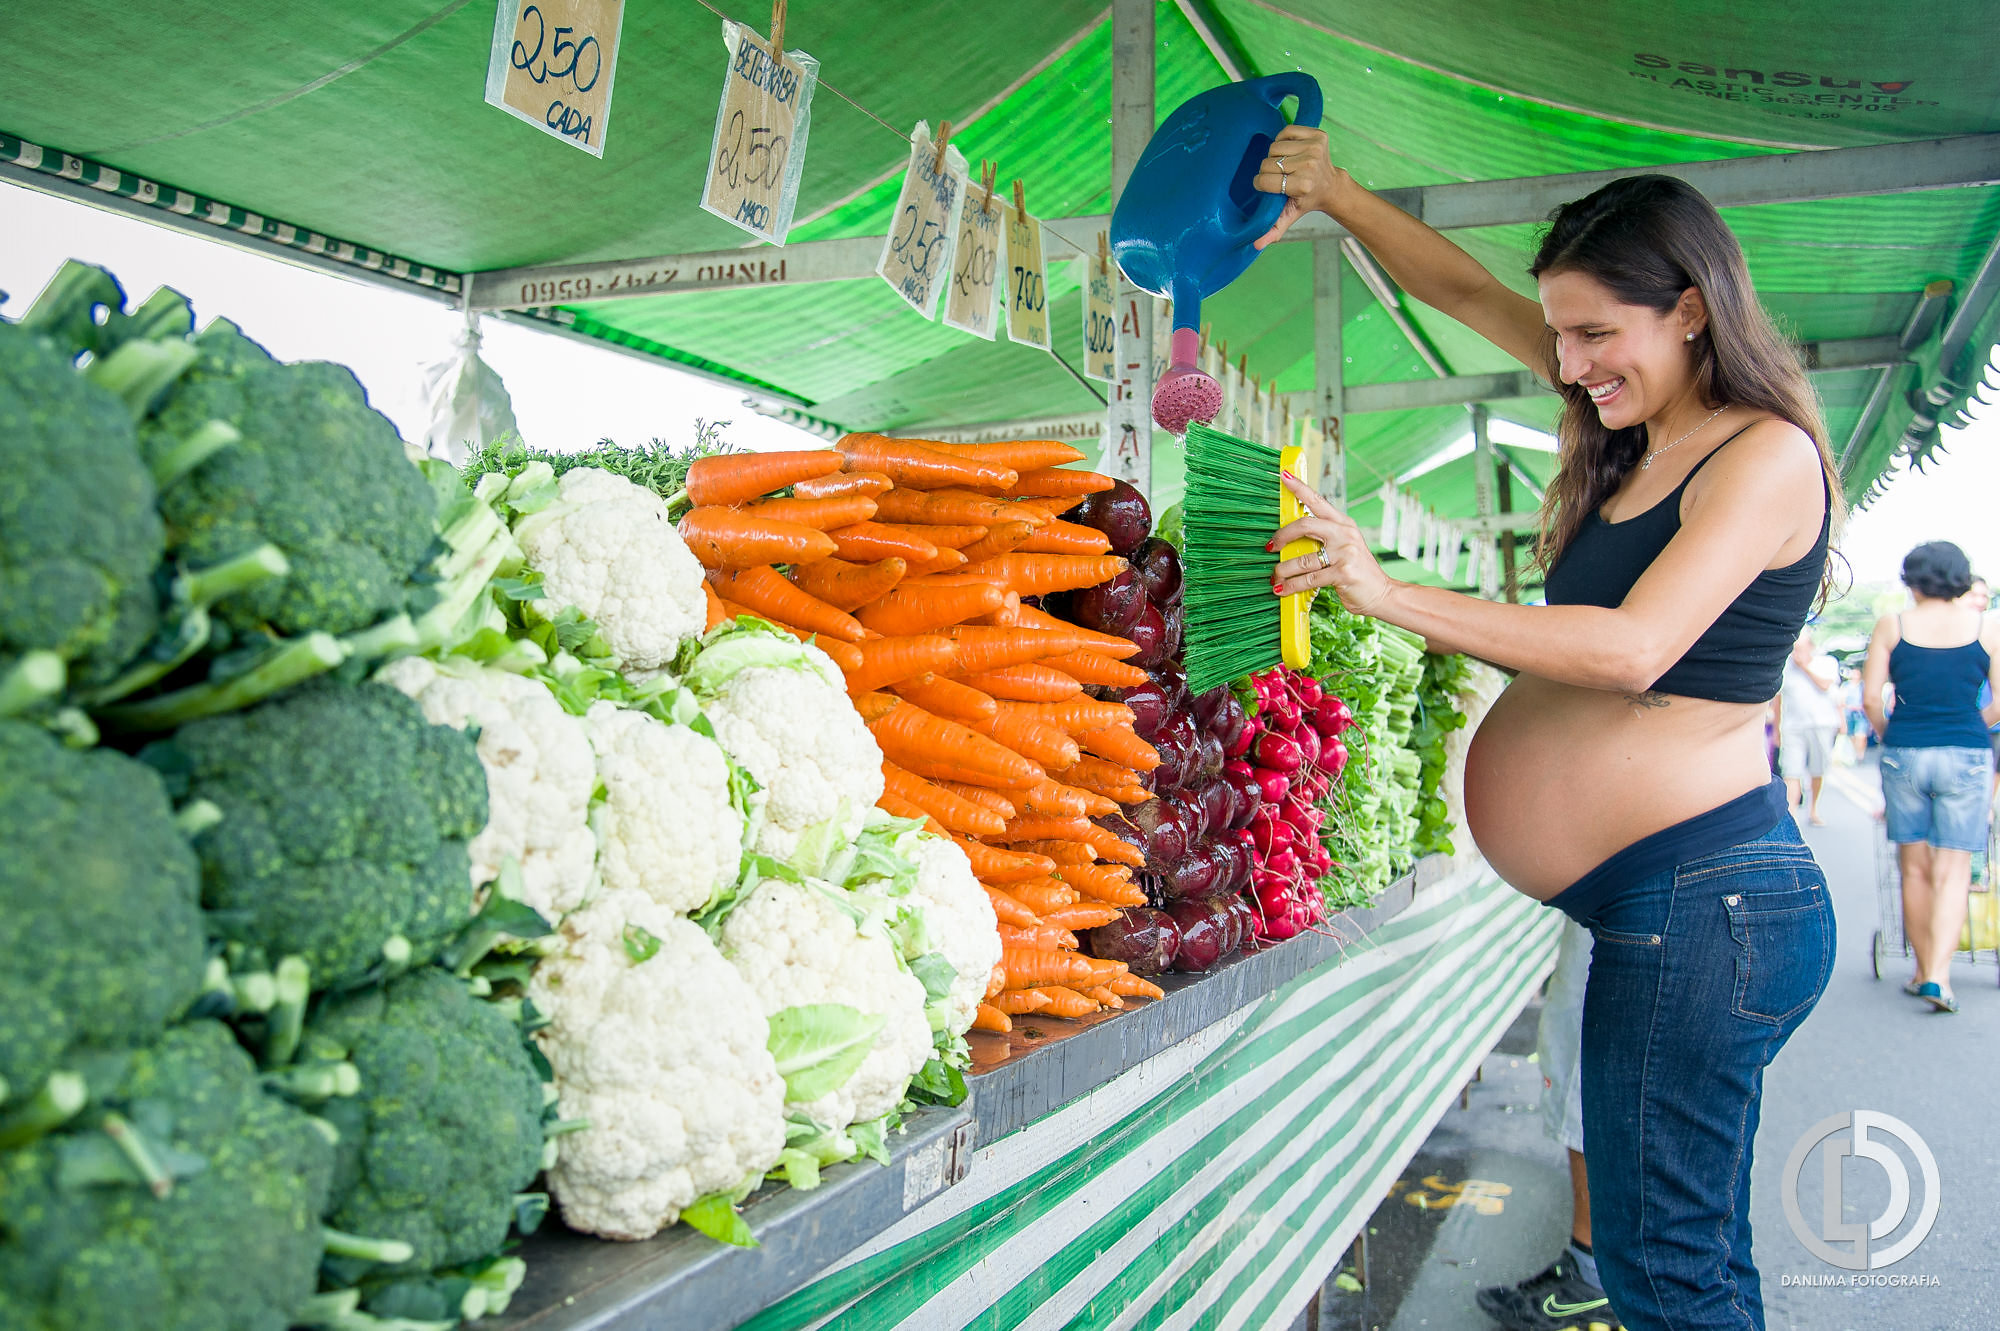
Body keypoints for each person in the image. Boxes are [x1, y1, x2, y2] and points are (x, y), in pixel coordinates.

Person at [1254, 143, 1836, 1331]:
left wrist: (1383, 590)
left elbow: (1633, 649)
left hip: (1705, 904)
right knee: (1679, 1254)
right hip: (1672, 907)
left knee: (1665, 1270)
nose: (1564, 364)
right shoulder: (1632, 426)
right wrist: (1340, 195)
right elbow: (1466, 294)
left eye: (1589, 336)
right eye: (1557, 336)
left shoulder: (1761, 454)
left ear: (1686, 311)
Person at [1859, 542, 2000, 1013]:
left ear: (1911, 579)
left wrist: (1891, 734)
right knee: (1954, 867)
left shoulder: (1893, 624)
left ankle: (1921, 972)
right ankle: (1940, 977)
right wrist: (1968, 727)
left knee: (1913, 866)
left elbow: (1871, 701)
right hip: (1966, 752)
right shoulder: (1987, 626)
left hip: (1906, 751)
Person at [1774, 630, 1841, 824]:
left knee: (1817, 769)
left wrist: (1804, 666)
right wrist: (1777, 729)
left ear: (1810, 647)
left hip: (1822, 725)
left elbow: (1825, 685)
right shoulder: (1786, 667)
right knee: (1791, 771)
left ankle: (1813, 809)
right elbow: (1778, 700)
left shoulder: (1826, 663)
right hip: (1793, 727)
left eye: (1801, 649)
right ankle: (1791, 814)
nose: (1796, 653)